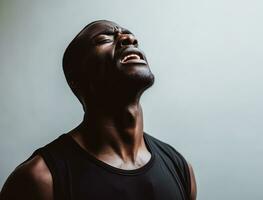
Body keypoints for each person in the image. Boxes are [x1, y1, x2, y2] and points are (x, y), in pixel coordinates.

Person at [0, 20, 197, 200]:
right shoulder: (40, 179)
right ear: (76, 79)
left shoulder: (179, 168)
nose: (129, 39)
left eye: (132, 39)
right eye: (104, 39)